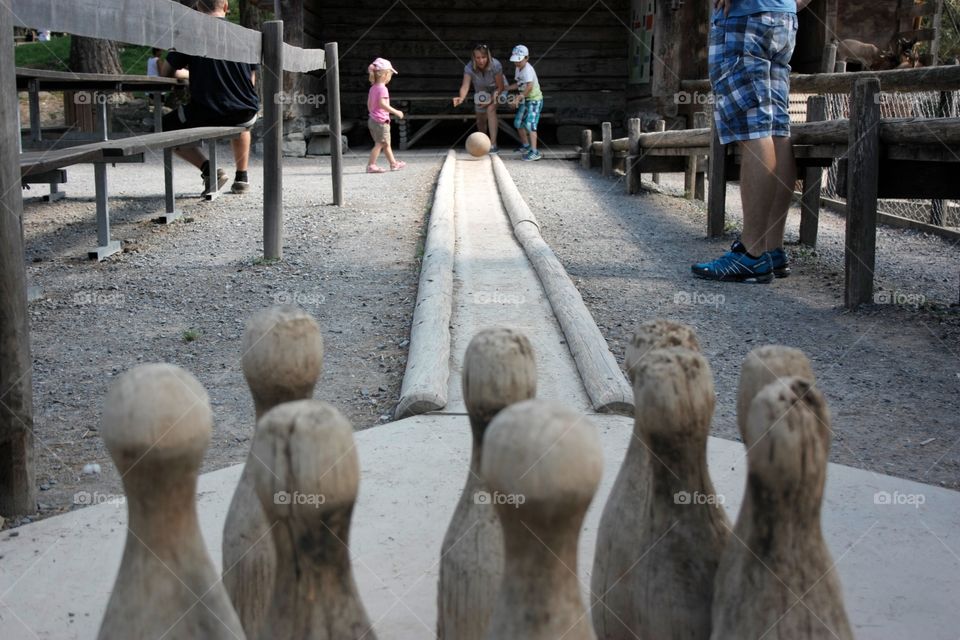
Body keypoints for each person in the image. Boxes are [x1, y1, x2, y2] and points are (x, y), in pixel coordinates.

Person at [691, 0, 812, 283]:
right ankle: (772, 249)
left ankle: (751, 253)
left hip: (745, 19)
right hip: (783, 19)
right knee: (777, 128)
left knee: (754, 128)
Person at [158, 0, 258, 195]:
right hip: (245, 112)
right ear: (226, 7)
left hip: (205, 112)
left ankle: (208, 170)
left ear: (197, 9)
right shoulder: (246, 36)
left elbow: (166, 73)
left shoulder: (190, 35)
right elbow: (250, 81)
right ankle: (241, 178)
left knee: (164, 126)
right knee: (242, 118)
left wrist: (189, 74)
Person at [452, 44, 506, 153]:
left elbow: (500, 87)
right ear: (474, 57)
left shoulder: (495, 65)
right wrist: (461, 97)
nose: (481, 60)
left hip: (498, 90)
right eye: (478, 58)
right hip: (482, 93)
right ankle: (483, 143)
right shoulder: (469, 67)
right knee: (480, 118)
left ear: (488, 56)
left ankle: (493, 144)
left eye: (483, 57)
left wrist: (489, 101)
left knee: (490, 109)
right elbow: (465, 85)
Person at [366, 58, 405, 173]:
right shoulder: (383, 89)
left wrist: (373, 113)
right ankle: (371, 165)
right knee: (380, 144)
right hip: (380, 122)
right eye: (390, 75)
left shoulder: (373, 88)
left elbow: (369, 104)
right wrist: (396, 112)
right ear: (385, 75)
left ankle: (393, 164)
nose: (390, 77)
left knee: (386, 144)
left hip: (373, 119)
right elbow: (382, 104)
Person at [505, 45, 543, 162]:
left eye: (519, 60)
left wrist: (518, 98)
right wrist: (506, 88)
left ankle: (535, 152)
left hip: (534, 100)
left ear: (527, 58)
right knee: (518, 123)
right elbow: (519, 84)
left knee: (530, 125)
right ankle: (526, 146)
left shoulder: (528, 69)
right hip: (525, 100)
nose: (517, 63)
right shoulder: (518, 68)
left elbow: (529, 87)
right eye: (515, 61)